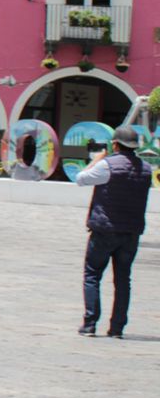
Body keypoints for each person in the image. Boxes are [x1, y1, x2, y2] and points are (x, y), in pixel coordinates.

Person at [75, 124, 152, 338]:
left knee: (92, 275)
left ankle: (90, 324)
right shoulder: (146, 169)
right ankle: (117, 328)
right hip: (131, 233)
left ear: (115, 144)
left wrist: (97, 160)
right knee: (123, 279)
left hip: (104, 231)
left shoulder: (106, 166)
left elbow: (80, 179)